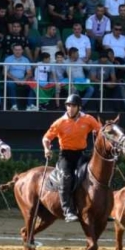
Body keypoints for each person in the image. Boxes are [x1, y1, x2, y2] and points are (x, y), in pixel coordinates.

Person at [42, 94, 102, 223]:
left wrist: (98, 134)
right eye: (68, 105)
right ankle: (68, 211)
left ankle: (99, 209)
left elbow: (100, 131)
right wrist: (47, 149)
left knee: (96, 176)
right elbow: (46, 138)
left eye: (73, 106)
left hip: (81, 154)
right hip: (66, 156)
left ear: (79, 107)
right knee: (66, 178)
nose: (70, 108)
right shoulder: (59, 122)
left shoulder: (88, 119)